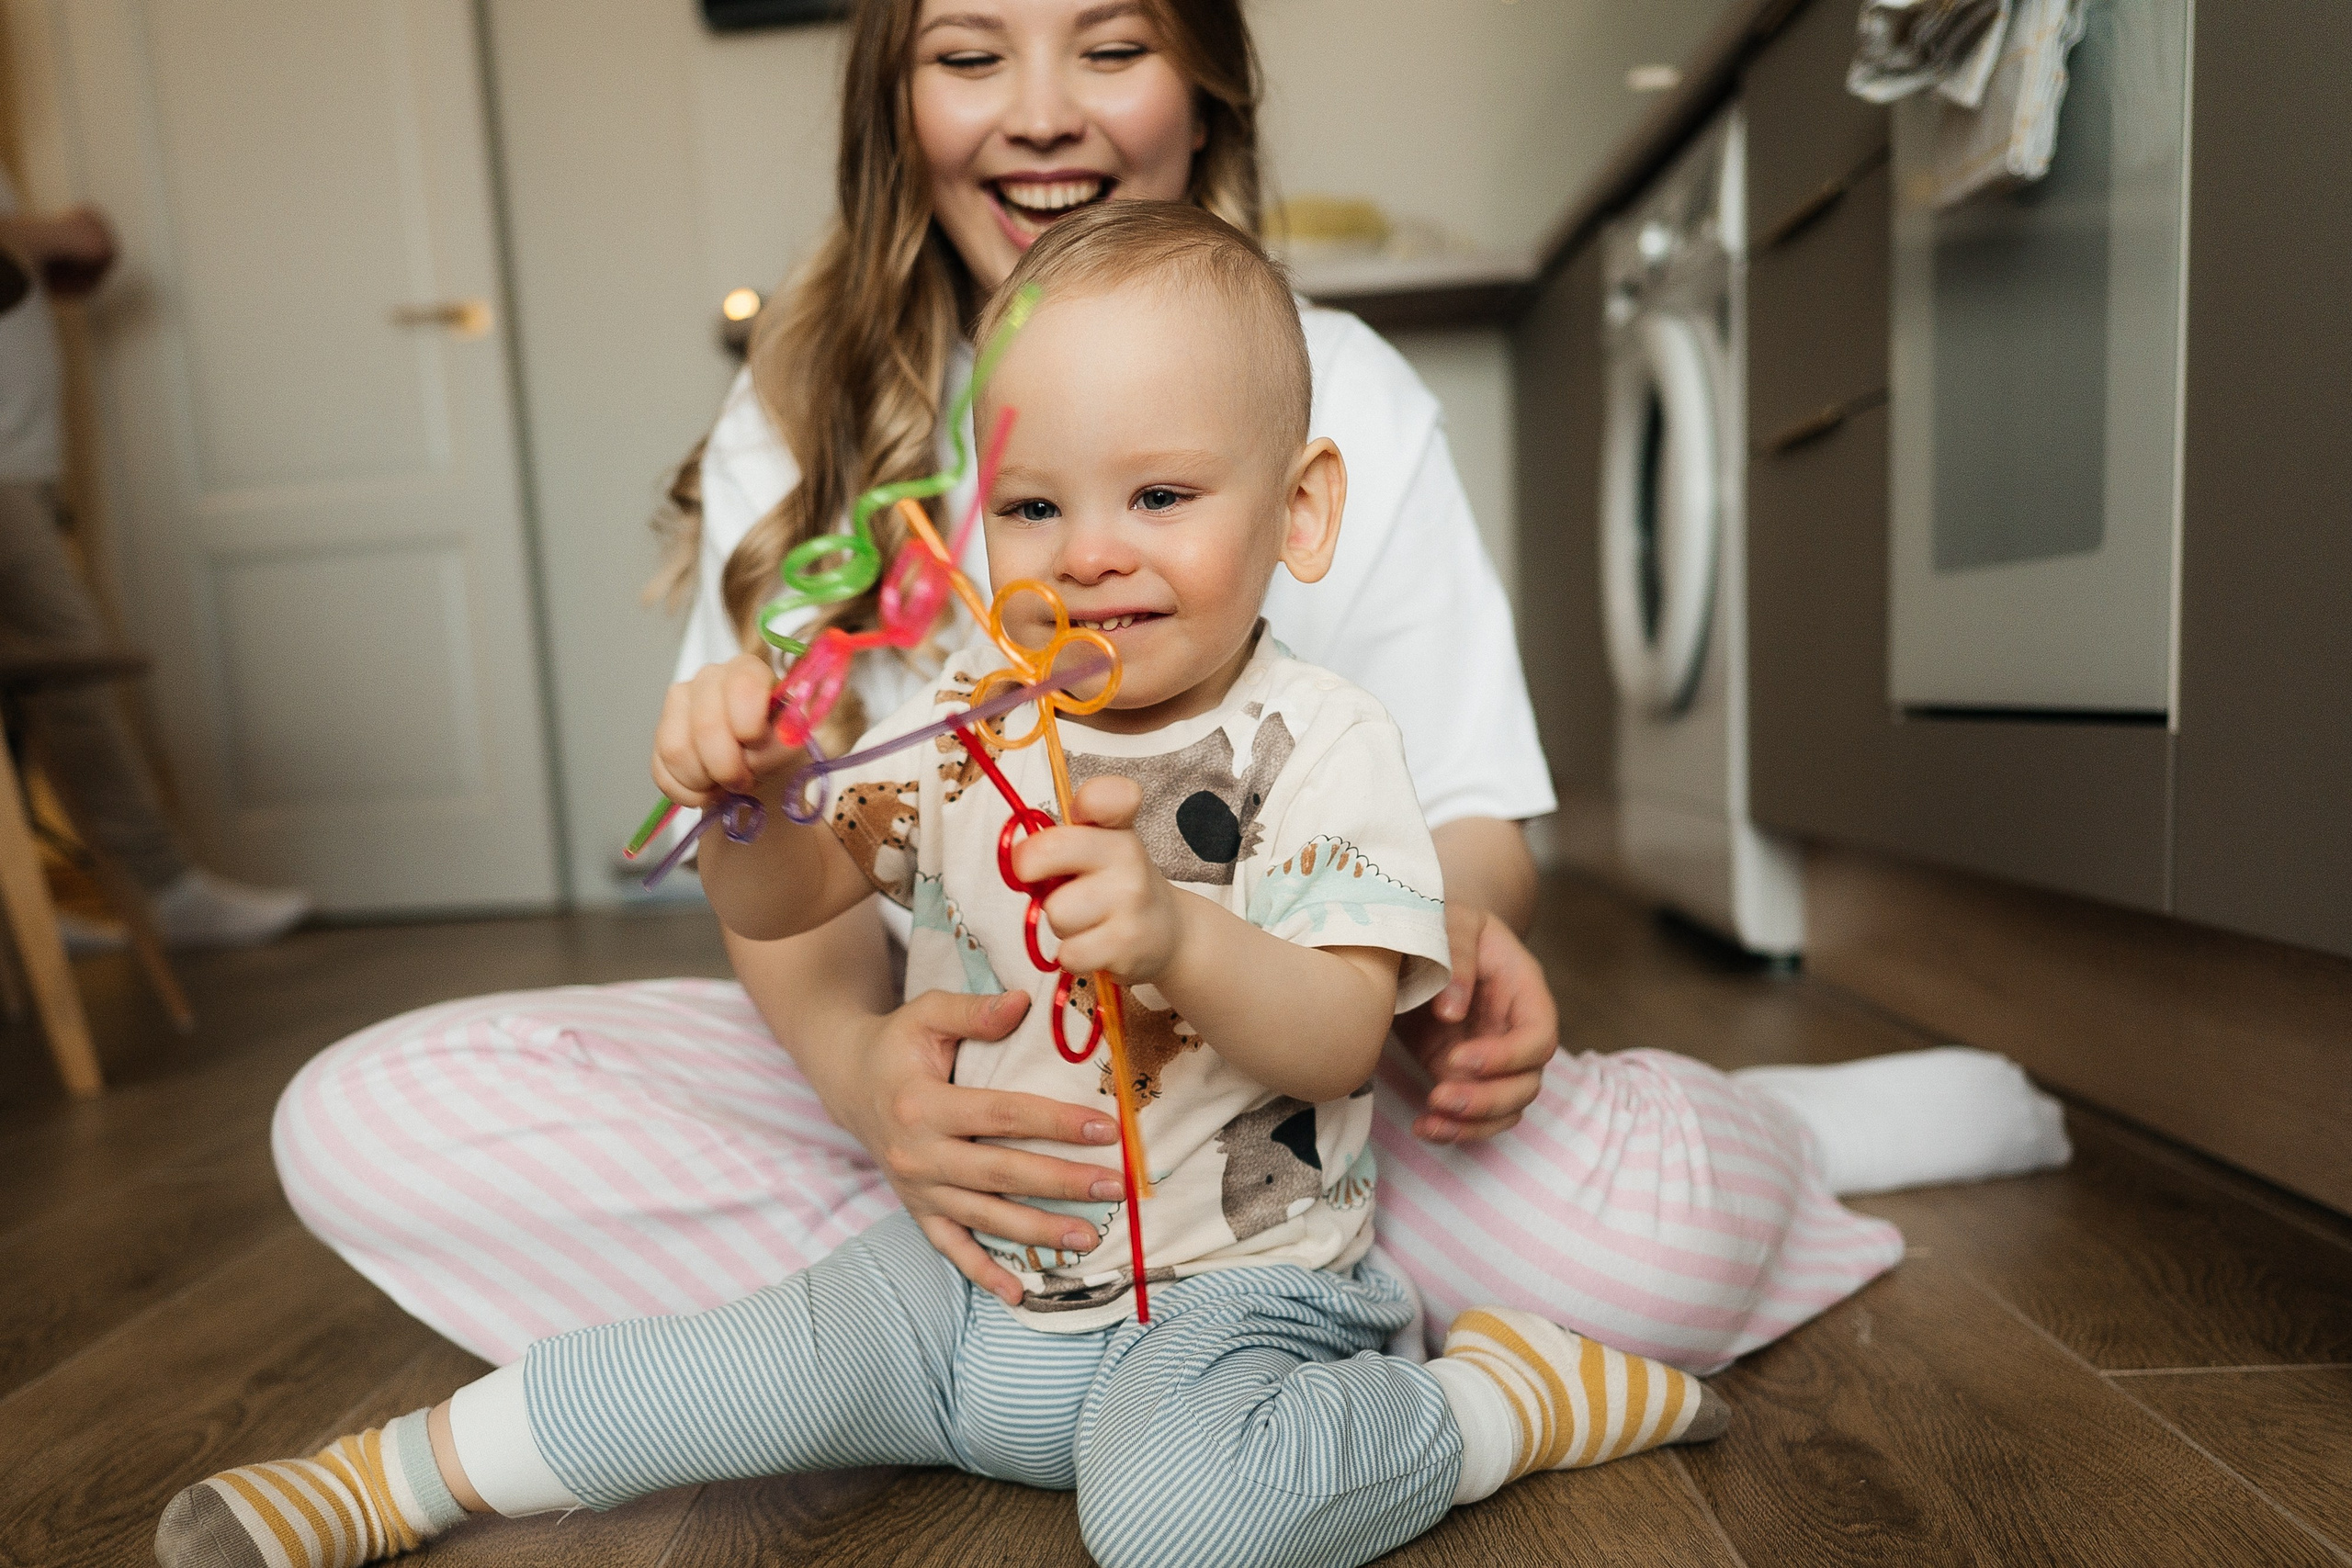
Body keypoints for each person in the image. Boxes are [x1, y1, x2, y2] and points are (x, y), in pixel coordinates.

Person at [272, 0, 2064, 1392]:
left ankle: (1752, 1134)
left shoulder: (1337, 390)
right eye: (970, 52)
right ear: (897, 104)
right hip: (968, 1095)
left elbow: (1469, 823)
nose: (1039, 107)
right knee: (360, 1117)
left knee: (1647, 1252)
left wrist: (1447, 939)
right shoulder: (802, 423)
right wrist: (870, 1092)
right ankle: (1017, 1303)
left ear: (1202, 78)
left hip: (1297, 1105)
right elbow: (802, 889)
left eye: (1109, 43)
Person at [164, 204, 1736, 1568]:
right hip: (962, 1277)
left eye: (1165, 498)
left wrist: (1178, 929)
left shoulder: (1324, 743)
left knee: (1180, 1527)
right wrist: (754, 802)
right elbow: (790, 909)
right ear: (985, 526)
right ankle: (388, 1479)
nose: (1096, 552)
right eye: (1040, 507)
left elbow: (1337, 1037)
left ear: (1300, 510)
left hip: (1234, 1308)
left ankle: (1486, 1401)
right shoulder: (966, 720)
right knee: (725, 1372)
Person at [0, 175, 311, 949]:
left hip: (22, 453)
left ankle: (33, 916)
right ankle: (163, 888)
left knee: (43, 688)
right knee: (72, 672)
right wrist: (61, 235)